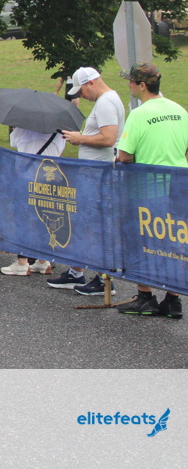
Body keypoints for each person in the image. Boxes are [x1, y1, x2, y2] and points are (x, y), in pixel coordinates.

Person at [113, 63, 187, 318]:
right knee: (174, 241)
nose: (129, 85)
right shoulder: (179, 110)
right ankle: (174, 299)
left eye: (131, 81)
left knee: (141, 240)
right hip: (179, 186)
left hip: (148, 188)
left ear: (142, 85)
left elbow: (125, 155)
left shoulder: (139, 114)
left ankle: (145, 296)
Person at [53, 67, 126, 293]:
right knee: (89, 224)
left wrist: (80, 138)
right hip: (98, 172)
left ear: (91, 83)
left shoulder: (105, 102)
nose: (82, 96)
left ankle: (103, 279)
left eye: (82, 90)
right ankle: (80, 272)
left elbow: (108, 138)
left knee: (96, 226)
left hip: (100, 174)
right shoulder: (108, 100)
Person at [0, 127, 64, 275]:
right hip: (51, 177)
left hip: (28, 176)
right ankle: (43, 260)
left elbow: (14, 141)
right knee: (45, 218)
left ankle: (22, 262)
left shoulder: (23, 128)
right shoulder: (59, 130)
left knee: (22, 218)